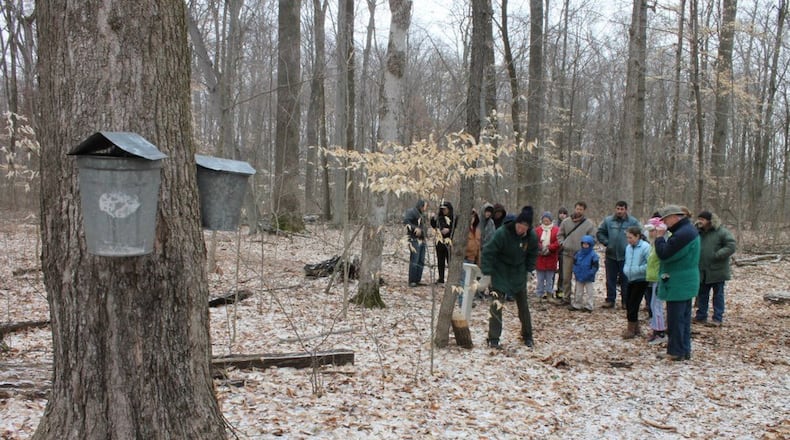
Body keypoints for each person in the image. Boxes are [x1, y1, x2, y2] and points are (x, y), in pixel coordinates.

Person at [482, 206, 539, 348]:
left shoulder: (531, 236)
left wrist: (529, 270)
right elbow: (488, 252)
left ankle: (527, 336)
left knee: (523, 306)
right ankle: (493, 338)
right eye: (520, 225)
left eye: (525, 226)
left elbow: (532, 254)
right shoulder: (502, 233)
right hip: (500, 270)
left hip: (518, 272)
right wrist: (487, 273)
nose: (521, 229)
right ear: (516, 223)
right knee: (497, 305)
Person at [654, 204, 700, 361]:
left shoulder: (682, 235)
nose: (664, 223)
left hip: (678, 282)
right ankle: (683, 350)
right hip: (686, 280)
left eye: (666, 220)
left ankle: (675, 351)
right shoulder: (689, 230)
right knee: (684, 319)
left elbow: (664, 253)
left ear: (674, 217)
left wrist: (659, 238)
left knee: (676, 319)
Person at [694, 210, 736, 327]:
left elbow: (731, 245)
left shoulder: (721, 232)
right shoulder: (698, 232)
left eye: (702, 219)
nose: (700, 221)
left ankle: (717, 318)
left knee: (718, 295)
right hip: (702, 269)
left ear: (709, 221)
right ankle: (701, 316)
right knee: (702, 294)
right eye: (699, 219)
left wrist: (717, 255)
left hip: (717, 270)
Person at [597, 201, 642, 309]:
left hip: (627, 256)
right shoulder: (608, 221)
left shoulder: (633, 221)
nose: (619, 211)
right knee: (610, 279)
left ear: (626, 210)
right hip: (611, 254)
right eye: (617, 209)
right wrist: (607, 242)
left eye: (622, 209)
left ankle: (625, 301)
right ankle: (610, 299)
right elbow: (600, 232)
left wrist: (634, 246)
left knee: (626, 279)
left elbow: (640, 235)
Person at [557, 202, 596, 305]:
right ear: (574, 209)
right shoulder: (565, 222)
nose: (578, 211)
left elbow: (593, 238)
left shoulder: (589, 224)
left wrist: (586, 249)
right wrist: (563, 243)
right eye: (577, 209)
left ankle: (578, 300)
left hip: (582, 256)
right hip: (567, 253)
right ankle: (566, 297)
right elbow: (560, 235)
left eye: (581, 209)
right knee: (566, 277)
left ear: (584, 211)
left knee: (580, 278)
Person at [622, 226, 650, 338]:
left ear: (638, 236)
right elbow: (627, 261)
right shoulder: (628, 248)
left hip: (641, 279)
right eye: (627, 238)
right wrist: (626, 269)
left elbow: (649, 264)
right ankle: (635, 327)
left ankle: (631, 329)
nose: (629, 240)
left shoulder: (645, 247)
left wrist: (637, 269)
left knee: (633, 304)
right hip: (630, 278)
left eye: (631, 237)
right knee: (628, 303)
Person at [644, 215, 667, 345]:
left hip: (659, 278)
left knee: (657, 306)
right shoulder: (652, 244)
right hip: (653, 278)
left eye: (653, 230)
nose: (650, 233)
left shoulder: (661, 243)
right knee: (653, 305)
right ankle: (656, 329)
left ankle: (661, 332)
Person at [535, 212, 560, 300]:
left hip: (551, 256)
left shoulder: (556, 230)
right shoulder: (537, 230)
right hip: (540, 257)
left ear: (550, 220)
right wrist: (541, 247)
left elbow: (558, 241)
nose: (546, 221)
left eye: (547, 220)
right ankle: (539, 294)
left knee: (550, 279)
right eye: (544, 220)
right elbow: (534, 240)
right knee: (540, 279)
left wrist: (550, 248)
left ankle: (549, 294)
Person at [570, 235, 599, 312]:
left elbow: (595, 266)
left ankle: (589, 305)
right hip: (579, 275)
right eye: (584, 244)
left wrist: (591, 273)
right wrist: (575, 271)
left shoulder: (593, 255)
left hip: (589, 276)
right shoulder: (578, 253)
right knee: (578, 292)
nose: (585, 246)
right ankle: (577, 304)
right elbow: (574, 263)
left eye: (587, 244)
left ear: (590, 245)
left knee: (590, 292)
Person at [404, 199, 428, 287]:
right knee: (415, 259)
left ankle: (418, 280)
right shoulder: (411, 212)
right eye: (425, 206)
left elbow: (424, 226)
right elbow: (406, 222)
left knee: (421, 260)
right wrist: (415, 229)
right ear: (421, 206)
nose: (426, 208)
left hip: (422, 239)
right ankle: (412, 280)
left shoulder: (423, 215)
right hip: (414, 239)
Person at [430, 201, 456, 284]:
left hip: (450, 241)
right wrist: (432, 219)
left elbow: (457, 229)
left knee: (450, 261)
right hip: (439, 241)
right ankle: (441, 278)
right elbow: (434, 226)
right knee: (440, 261)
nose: (444, 211)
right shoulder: (439, 217)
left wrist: (449, 230)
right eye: (442, 209)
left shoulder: (454, 218)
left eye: (445, 209)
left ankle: (451, 279)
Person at [554, 207, 570, 298]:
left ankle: (560, 290)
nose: (562, 215)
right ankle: (548, 290)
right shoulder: (554, 224)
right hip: (554, 250)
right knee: (551, 272)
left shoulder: (569, 224)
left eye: (564, 213)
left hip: (564, 250)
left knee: (563, 272)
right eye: (561, 213)